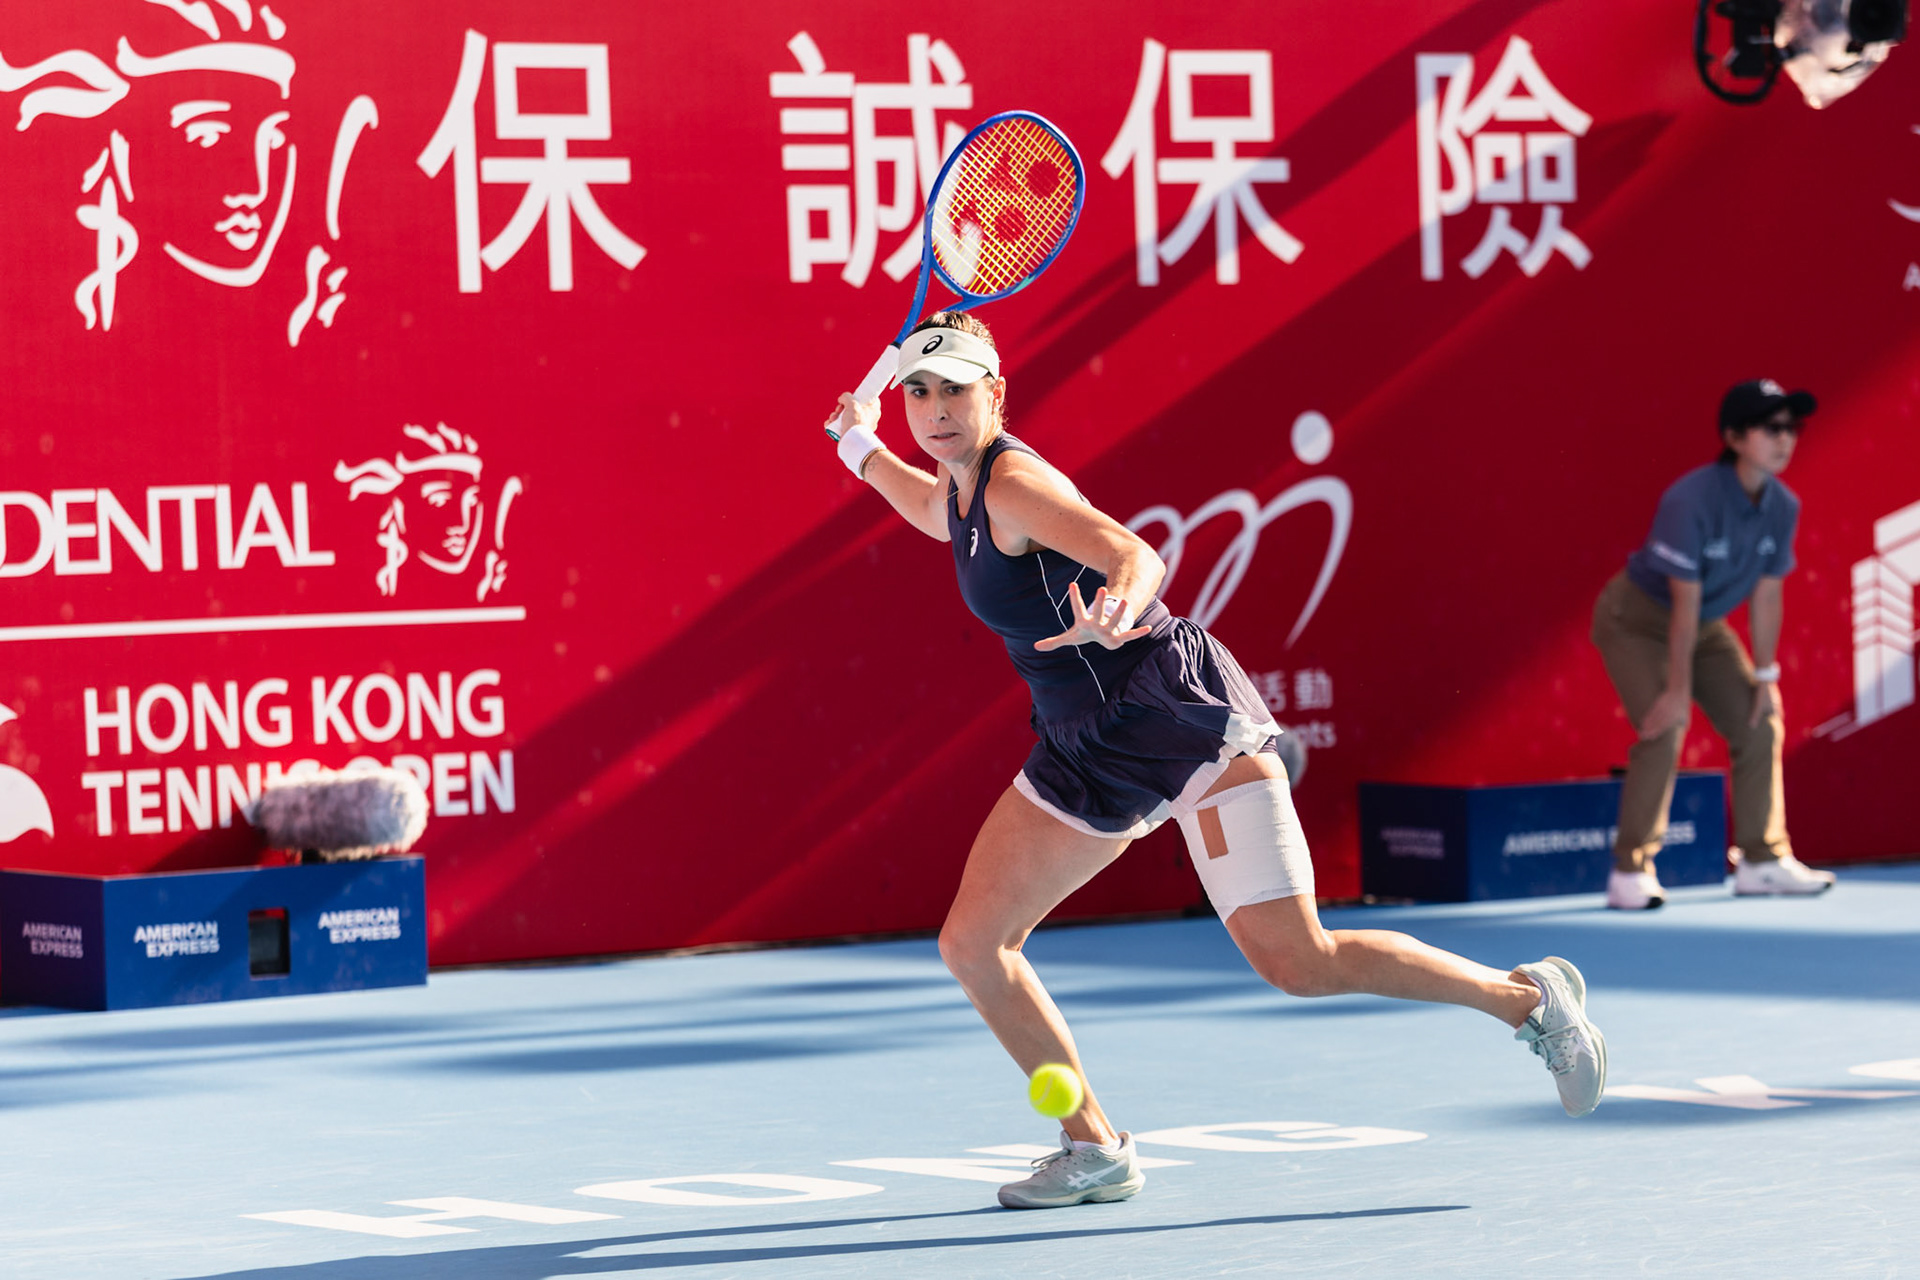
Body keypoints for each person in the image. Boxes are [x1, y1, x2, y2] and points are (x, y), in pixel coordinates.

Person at [827, 313, 1606, 1210]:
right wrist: (859, 447)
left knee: (1297, 961)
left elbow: (1130, 551)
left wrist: (1118, 603)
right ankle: (1095, 1148)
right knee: (974, 945)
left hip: (1179, 717)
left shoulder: (1012, 485)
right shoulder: (957, 488)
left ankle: (1528, 1003)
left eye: (956, 389)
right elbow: (931, 512)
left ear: (994, 394)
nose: (935, 410)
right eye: (917, 392)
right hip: (1085, 744)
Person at [1593, 378, 1836, 911]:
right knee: (1666, 724)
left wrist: (1766, 678)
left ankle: (1761, 860)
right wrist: (1678, 689)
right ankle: (1629, 872)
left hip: (1700, 626)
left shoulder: (1783, 505)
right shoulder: (1690, 499)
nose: (1786, 439)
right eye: (1772, 428)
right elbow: (1681, 603)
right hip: (1635, 620)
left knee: (1759, 718)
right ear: (1733, 437)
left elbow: (1767, 597)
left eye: (1791, 428)